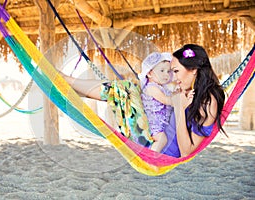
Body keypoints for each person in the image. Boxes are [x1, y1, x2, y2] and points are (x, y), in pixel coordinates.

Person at [59, 44, 225, 158]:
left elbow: (186, 151)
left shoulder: (208, 102)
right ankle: (69, 86)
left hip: (158, 149)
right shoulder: (190, 90)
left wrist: (179, 108)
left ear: (194, 70)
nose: (172, 77)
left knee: (125, 90)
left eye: (175, 71)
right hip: (151, 132)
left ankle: (68, 83)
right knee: (128, 89)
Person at [138, 52, 174, 152]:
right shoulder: (151, 88)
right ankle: (151, 158)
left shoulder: (161, 87)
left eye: (168, 71)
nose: (166, 74)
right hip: (152, 125)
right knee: (162, 139)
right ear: (149, 73)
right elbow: (166, 100)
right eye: (162, 71)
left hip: (160, 124)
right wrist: (179, 100)